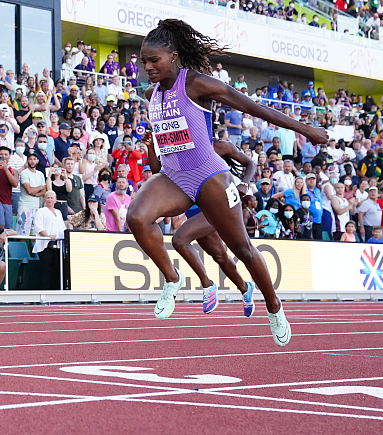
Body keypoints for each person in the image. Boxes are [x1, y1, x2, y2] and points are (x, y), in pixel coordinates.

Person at [126, 19, 326, 347]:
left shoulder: (198, 84)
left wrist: (306, 130)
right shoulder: (152, 94)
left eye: (153, 61)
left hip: (209, 177)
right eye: (143, 61)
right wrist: (151, 147)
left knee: (243, 249)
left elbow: (254, 108)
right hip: (174, 176)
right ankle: (171, 280)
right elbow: (159, 161)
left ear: (174, 56)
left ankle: (274, 308)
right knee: (136, 215)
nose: (146, 67)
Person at [157, 138, 258, 316]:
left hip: (217, 205)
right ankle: (245, 288)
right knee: (219, 256)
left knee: (180, 240)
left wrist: (245, 183)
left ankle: (207, 285)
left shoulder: (219, 145)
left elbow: (250, 163)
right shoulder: (181, 149)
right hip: (195, 210)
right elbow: (158, 169)